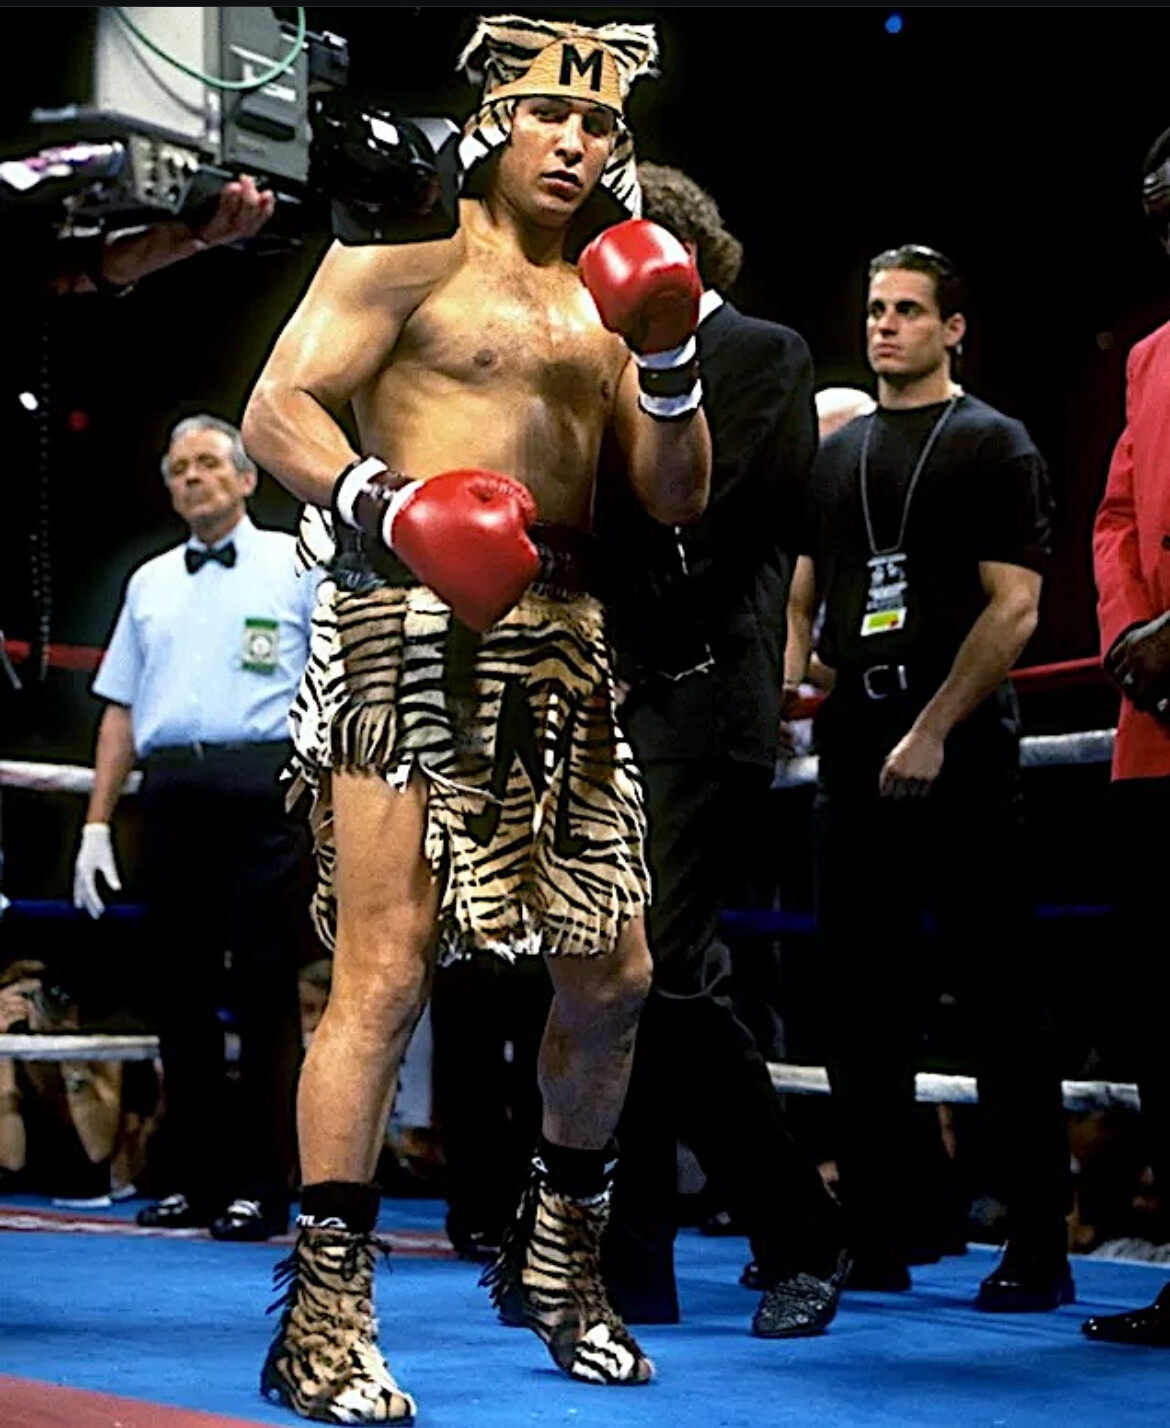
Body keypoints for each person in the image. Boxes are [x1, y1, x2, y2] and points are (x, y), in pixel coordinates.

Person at [239, 13, 710, 1419]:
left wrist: (668, 354)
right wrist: (386, 504)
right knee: (384, 975)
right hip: (407, 624)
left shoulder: (609, 284)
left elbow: (673, 492)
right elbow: (278, 410)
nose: (574, 142)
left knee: (614, 977)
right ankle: (324, 1318)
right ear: (495, 119)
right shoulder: (408, 244)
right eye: (550, 114)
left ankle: (558, 1258)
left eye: (600, 123)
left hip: (563, 637)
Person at [786, 243, 1074, 1309]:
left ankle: (1037, 1246)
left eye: (909, 309)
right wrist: (789, 684)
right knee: (858, 1004)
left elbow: (1016, 607)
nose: (886, 325)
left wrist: (935, 727)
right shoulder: (839, 454)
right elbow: (805, 592)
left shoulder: (994, 442)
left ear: (953, 328)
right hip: (856, 738)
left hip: (961, 744)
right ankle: (876, 1235)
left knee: (1001, 1001)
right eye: (876, 308)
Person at [594, 161, 848, 1340]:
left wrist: (605, 609)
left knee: (658, 969)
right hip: (613, 698)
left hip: (701, 701)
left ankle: (800, 1233)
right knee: (625, 978)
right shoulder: (603, 361)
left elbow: (715, 516)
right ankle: (635, 1260)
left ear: (669, 250)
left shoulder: (761, 353)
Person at [71, 413, 320, 1243]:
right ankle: (194, 1177)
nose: (192, 478)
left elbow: (333, 685)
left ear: (247, 478)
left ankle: (264, 1185)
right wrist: (96, 824)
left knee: (263, 989)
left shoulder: (293, 562)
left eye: (208, 462)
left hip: (264, 787)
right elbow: (119, 709)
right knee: (179, 992)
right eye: (178, 468)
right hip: (172, 792)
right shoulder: (148, 582)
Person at [1082, 123, 1170, 1347]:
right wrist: (1130, 639)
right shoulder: (1149, 355)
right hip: (1157, 724)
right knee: (1161, 1015)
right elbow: (1112, 515)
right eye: (1157, 219)